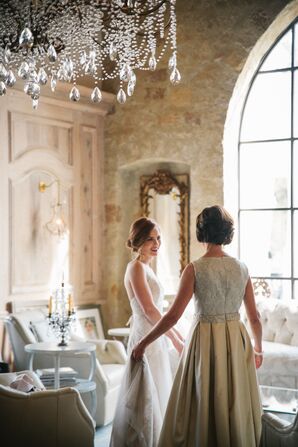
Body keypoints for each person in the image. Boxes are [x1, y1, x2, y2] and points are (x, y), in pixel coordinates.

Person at [133, 205, 263, 447]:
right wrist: (258, 348)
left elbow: (172, 316)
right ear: (226, 232)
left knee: (203, 399)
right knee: (234, 399)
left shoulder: (194, 268)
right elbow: (254, 317)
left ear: (201, 232)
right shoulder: (242, 268)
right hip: (236, 340)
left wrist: (143, 342)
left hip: (204, 341)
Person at [109, 217, 184, 447]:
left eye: (158, 238)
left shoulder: (146, 267)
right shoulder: (135, 267)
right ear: (138, 240)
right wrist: (174, 338)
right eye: (150, 238)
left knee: (159, 391)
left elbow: (157, 310)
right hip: (146, 338)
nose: (156, 243)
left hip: (155, 338)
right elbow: (150, 310)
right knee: (145, 398)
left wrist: (176, 335)